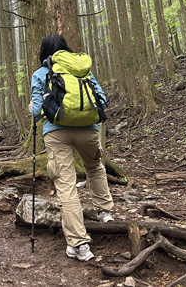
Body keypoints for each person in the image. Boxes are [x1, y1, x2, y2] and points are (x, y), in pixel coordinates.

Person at [30, 34, 114, 262]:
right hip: (88, 129)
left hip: (56, 131)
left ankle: (79, 244)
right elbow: (102, 100)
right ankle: (105, 212)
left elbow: (37, 111)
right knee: (95, 168)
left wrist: (33, 107)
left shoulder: (40, 74)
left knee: (66, 185)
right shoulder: (82, 69)